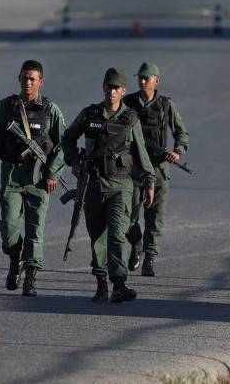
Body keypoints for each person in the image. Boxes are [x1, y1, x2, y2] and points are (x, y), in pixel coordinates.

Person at [62, 68, 157, 303]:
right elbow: (68, 138)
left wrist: (149, 181)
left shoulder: (130, 119)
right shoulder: (90, 114)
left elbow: (141, 152)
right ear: (103, 88)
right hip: (93, 185)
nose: (112, 91)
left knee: (116, 233)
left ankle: (119, 283)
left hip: (120, 185)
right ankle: (101, 283)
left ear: (123, 90)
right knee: (97, 236)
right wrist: (74, 162)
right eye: (109, 87)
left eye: (116, 88)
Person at [0, 60, 66, 297]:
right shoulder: (6, 107)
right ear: (19, 78)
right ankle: (15, 260)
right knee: (9, 228)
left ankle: (31, 278)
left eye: (32, 79)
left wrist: (53, 173)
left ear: (41, 82)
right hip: (12, 175)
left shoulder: (50, 110)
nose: (28, 82)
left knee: (35, 229)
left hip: (39, 178)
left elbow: (63, 144)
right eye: (25, 78)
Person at [123, 62, 189, 277]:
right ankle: (136, 243)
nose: (143, 81)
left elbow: (181, 133)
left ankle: (149, 258)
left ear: (156, 81)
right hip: (133, 168)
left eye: (147, 78)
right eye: (140, 78)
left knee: (155, 217)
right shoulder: (128, 103)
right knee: (127, 215)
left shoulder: (165, 105)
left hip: (159, 168)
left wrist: (177, 151)